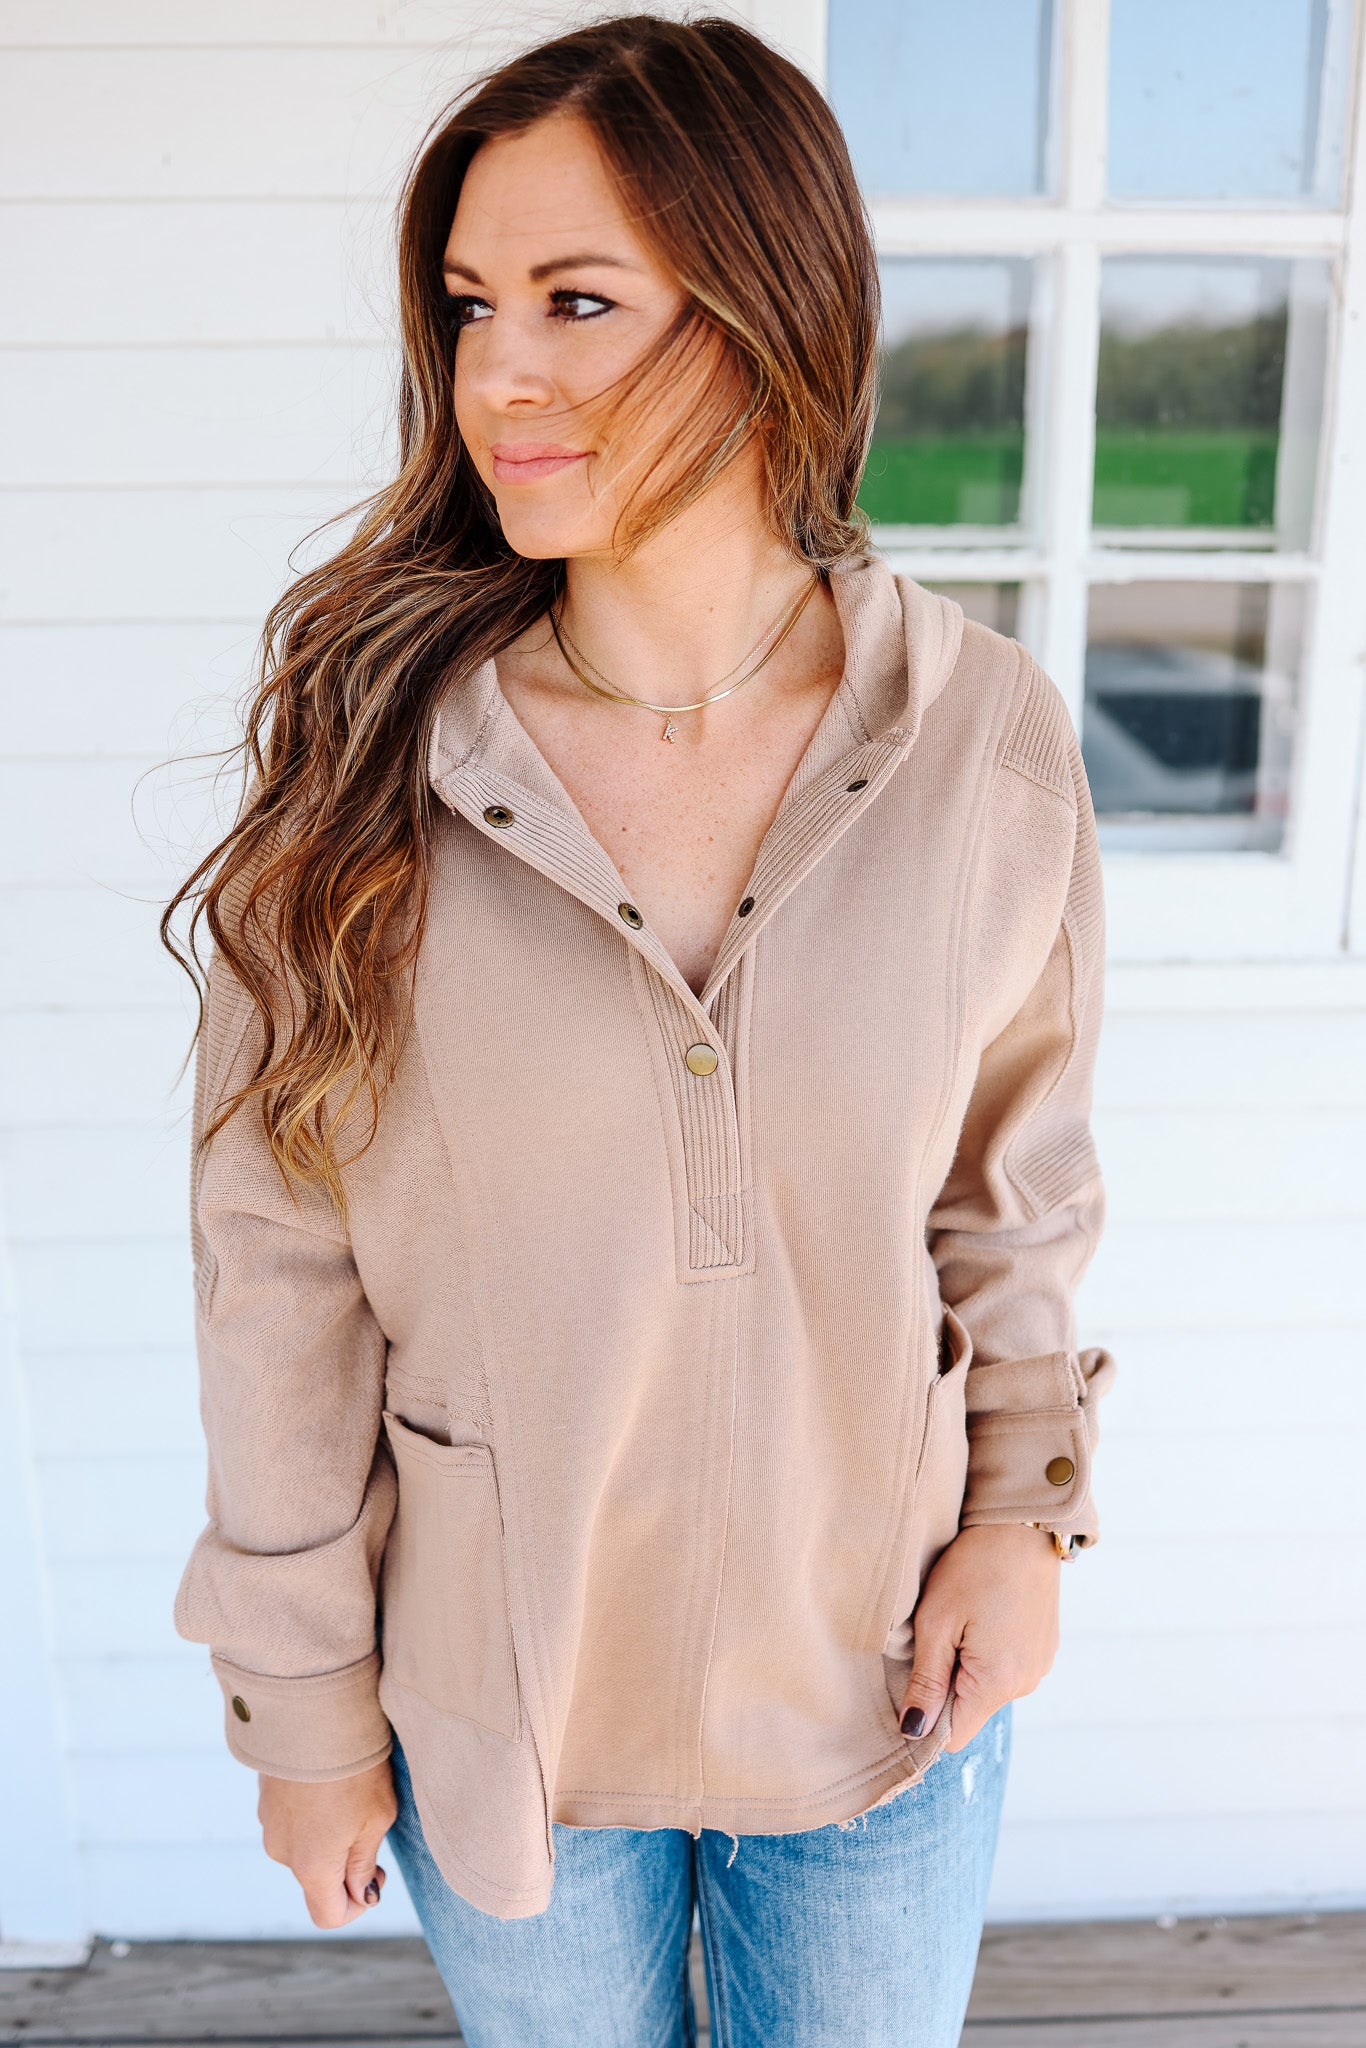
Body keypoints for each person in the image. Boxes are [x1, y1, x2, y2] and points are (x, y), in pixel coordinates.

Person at [166, 14, 1117, 2045]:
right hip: (496, 1706)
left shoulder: (980, 741)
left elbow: (1011, 1184)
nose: (496, 373)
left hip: (880, 1677)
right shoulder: (369, 760)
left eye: (576, 302)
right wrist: (302, 1702)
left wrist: (1022, 1517)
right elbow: (277, 1275)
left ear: (769, 312)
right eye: (469, 306)